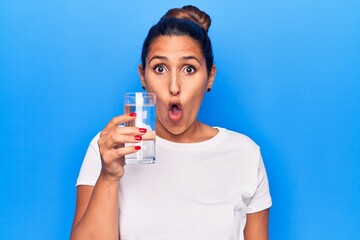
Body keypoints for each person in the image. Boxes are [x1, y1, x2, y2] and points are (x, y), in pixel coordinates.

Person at [70, 5, 272, 240]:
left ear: (210, 77)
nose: (174, 87)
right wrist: (109, 176)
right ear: (142, 76)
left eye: (189, 69)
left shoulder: (244, 154)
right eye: (160, 68)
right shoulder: (109, 148)